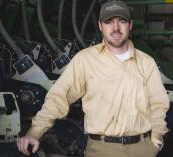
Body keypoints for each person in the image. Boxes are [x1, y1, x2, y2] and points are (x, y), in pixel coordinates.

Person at [17, 1, 170, 157]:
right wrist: (34, 132)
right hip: (102, 149)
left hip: (143, 149)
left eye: (122, 21)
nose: (115, 27)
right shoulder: (85, 60)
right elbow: (58, 98)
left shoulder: (146, 62)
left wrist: (156, 140)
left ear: (130, 25)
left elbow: (158, 103)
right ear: (100, 26)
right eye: (109, 21)